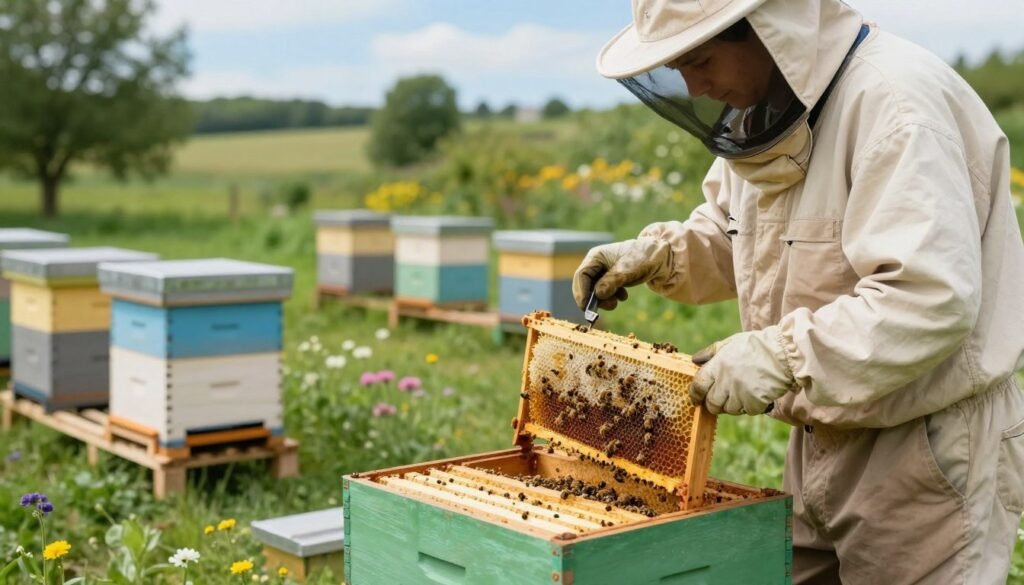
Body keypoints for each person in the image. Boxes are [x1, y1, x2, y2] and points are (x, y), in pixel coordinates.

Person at [573, 0, 1024, 582]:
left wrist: (781, 355)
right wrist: (661, 254)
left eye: (702, 59)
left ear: (769, 32)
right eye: (679, 66)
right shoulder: (766, 111)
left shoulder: (896, 108)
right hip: (819, 434)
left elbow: (928, 299)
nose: (695, 83)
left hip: (926, 447)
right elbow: (736, 235)